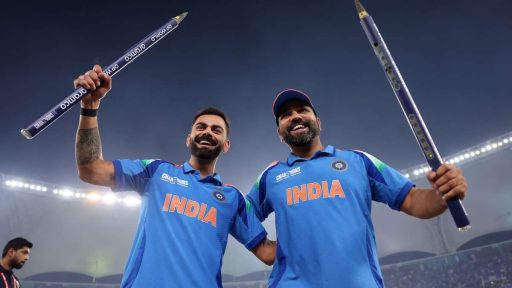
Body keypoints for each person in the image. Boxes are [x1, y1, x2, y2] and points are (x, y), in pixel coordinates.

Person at [74, 65, 276, 287]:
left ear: (226, 145)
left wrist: (315, 224)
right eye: (201, 127)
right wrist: (90, 108)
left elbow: (267, 253)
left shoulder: (232, 198)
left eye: (216, 130)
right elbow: (91, 169)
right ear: (189, 139)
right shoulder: (157, 171)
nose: (207, 131)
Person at [246, 89, 468, 287]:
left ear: (318, 121)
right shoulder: (271, 176)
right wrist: (262, 247)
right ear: (279, 132)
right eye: (286, 115)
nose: (295, 116)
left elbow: (410, 199)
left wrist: (442, 194)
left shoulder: (359, 161)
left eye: (302, 110)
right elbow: (239, 213)